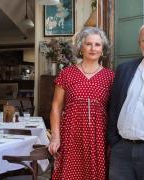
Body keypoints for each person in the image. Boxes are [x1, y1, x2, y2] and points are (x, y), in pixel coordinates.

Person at [48, 27, 114, 180]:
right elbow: (56, 107)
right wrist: (55, 137)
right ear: (81, 48)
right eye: (88, 44)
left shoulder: (110, 77)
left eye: (97, 45)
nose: (93, 48)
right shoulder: (66, 74)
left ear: (102, 49)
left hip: (98, 137)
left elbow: (113, 111)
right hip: (71, 134)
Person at [108, 21, 144, 180]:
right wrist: (114, 141)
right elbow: (113, 107)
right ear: (139, 44)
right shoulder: (125, 69)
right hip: (122, 150)